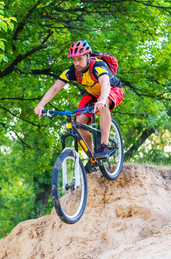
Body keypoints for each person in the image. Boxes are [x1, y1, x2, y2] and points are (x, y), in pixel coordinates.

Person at [34, 40, 124, 173]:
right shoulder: (72, 71)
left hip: (112, 90)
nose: (76, 63)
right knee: (78, 122)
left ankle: (104, 145)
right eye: (74, 60)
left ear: (88, 56)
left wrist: (103, 99)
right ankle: (93, 157)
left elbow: (105, 83)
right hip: (92, 94)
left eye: (80, 59)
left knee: (103, 104)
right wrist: (41, 105)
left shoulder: (97, 65)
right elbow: (54, 88)